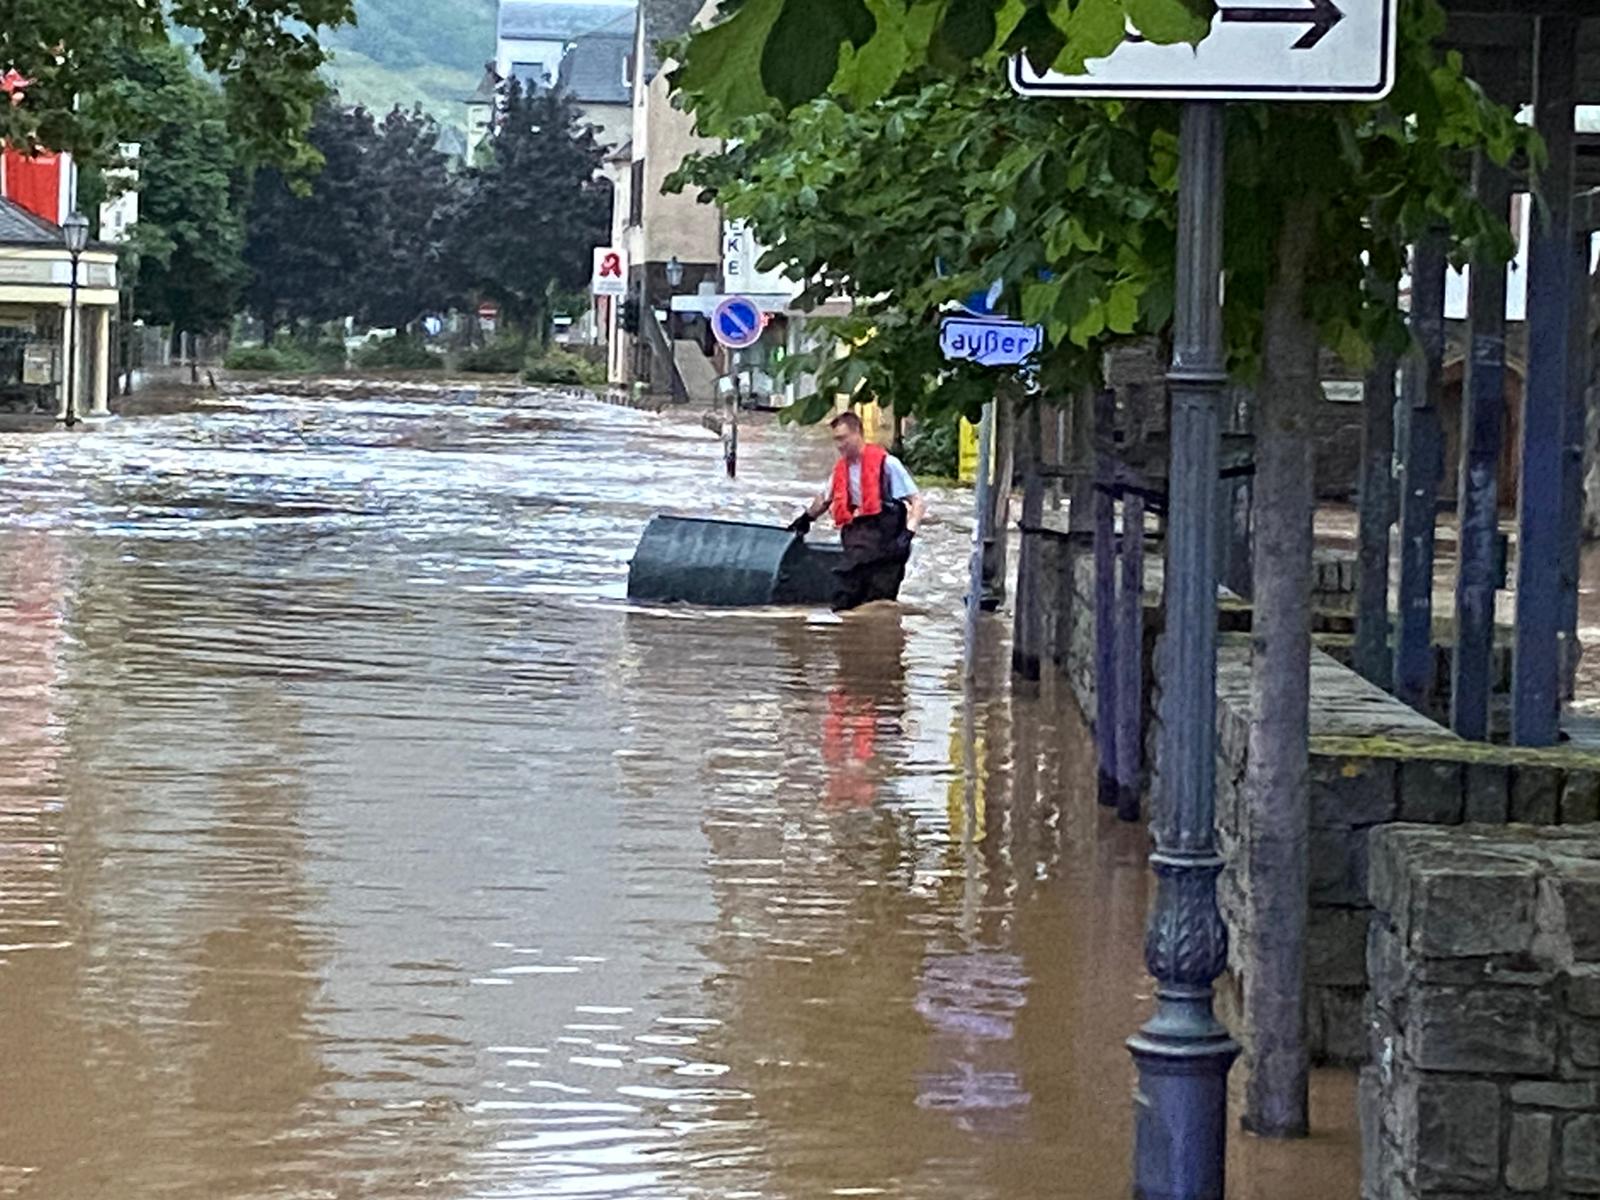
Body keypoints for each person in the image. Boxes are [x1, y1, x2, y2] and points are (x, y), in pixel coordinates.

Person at [788, 411, 927, 611]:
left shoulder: (887, 464)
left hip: (888, 549)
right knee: (843, 599)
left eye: (842, 438)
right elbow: (825, 500)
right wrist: (806, 518)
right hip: (858, 546)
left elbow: (917, 502)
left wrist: (908, 534)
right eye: (835, 440)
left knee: (880, 606)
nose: (839, 445)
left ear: (857, 433)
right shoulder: (840, 470)